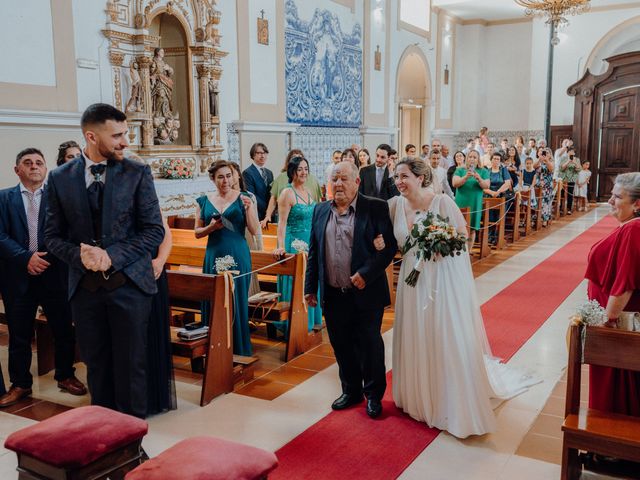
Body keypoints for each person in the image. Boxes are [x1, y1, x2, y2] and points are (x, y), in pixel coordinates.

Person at [377, 158, 536, 438]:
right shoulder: (393, 206)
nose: (399, 182)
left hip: (440, 280)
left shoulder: (442, 203)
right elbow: (388, 242)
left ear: (420, 177)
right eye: (396, 177)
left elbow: (462, 237)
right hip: (411, 282)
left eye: (403, 176)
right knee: (416, 334)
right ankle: (416, 395)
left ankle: (445, 398)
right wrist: (379, 243)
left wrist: (438, 243)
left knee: (442, 334)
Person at [44, 103, 164, 418]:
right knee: (96, 368)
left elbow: (153, 231)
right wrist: (79, 255)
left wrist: (111, 255)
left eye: (125, 134)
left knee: (131, 369)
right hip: (85, 290)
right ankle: (105, 444)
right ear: (91, 137)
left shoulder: (137, 172)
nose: (125, 142)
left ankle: (133, 447)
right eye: (118, 135)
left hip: (130, 287)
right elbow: (52, 237)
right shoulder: (59, 178)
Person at [305, 161, 397, 419]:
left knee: (369, 345)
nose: (338, 184)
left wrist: (366, 274)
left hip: (366, 293)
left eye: (344, 178)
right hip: (333, 293)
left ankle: (374, 396)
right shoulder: (321, 210)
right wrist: (310, 287)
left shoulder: (375, 207)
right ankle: (351, 390)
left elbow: (388, 248)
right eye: (334, 179)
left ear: (357, 182)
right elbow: (315, 251)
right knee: (341, 344)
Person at [0, 148, 87, 408]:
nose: (34, 166)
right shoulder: (4, 198)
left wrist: (44, 260)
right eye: (27, 163)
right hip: (18, 276)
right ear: (18, 170)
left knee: (62, 329)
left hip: (54, 274)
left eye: (39, 162)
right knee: (19, 333)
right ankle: (20, 384)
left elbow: (67, 234)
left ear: (45, 169)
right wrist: (26, 258)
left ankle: (65, 374)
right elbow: (0, 236)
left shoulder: (58, 198)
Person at [585, 172, 640, 417]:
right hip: (613, 319)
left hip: (617, 324)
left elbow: (625, 284)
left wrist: (607, 322)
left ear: (637, 203)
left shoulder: (633, 230)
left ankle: (610, 447)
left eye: (617, 197)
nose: (610, 201)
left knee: (616, 382)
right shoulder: (629, 227)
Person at [195, 160, 259, 357]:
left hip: (238, 253)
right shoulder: (203, 201)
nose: (225, 180)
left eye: (229, 176)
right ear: (213, 179)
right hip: (214, 253)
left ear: (234, 176)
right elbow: (197, 232)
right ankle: (215, 350)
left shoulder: (245, 198)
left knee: (236, 300)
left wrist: (249, 209)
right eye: (220, 177)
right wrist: (211, 228)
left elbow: (255, 230)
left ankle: (238, 349)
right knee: (213, 301)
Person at [272, 156, 323, 332]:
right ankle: (294, 324)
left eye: (306, 169)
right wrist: (281, 246)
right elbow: (282, 223)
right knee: (298, 283)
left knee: (310, 281)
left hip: (310, 242)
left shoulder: (308, 191)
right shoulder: (287, 193)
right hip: (294, 243)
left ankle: (311, 319)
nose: (304, 172)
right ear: (292, 172)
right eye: (300, 169)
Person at [146, 216, 177, 416]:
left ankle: (152, 396)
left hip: (152, 271)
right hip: (125, 274)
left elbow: (166, 236)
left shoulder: (149, 199)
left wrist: (160, 261)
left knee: (151, 333)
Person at [263, 149, 322, 227]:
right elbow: (273, 198)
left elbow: (318, 201)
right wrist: (268, 215)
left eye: (300, 158)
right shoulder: (281, 178)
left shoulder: (313, 179)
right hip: (288, 222)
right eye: (294, 158)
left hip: (309, 222)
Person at [230, 162, 262, 296]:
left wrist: (259, 245)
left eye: (231, 173)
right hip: (231, 239)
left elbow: (256, 225)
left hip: (247, 238)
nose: (229, 178)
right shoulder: (223, 197)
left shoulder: (249, 196)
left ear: (238, 175)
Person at [453, 150, 490, 246]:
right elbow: (455, 183)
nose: (472, 159)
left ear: (478, 160)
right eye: (470, 157)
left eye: (475, 157)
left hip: (475, 203)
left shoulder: (483, 171)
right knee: (458, 227)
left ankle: (468, 253)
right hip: (461, 202)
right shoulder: (460, 170)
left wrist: (479, 178)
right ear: (466, 158)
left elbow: (486, 186)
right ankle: (458, 250)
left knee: (472, 229)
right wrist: (465, 177)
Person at [484, 152, 513, 244]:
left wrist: (497, 192)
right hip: (489, 197)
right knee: (490, 217)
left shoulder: (503, 170)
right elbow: (483, 186)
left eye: (498, 159)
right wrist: (492, 193)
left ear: (500, 161)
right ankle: (489, 237)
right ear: (491, 160)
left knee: (499, 217)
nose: (496, 160)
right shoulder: (486, 171)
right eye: (494, 158)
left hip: (501, 196)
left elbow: (507, 183)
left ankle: (497, 237)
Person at [242, 142, 273, 224]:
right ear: (253, 155)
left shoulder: (269, 173)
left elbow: (271, 194)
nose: (262, 156)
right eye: (259, 153)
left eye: (264, 153)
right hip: (256, 214)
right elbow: (251, 195)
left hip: (269, 215)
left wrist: (271, 209)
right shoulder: (247, 173)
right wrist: (267, 209)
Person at [559, 146, 581, 214]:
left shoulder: (577, 159)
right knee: (562, 193)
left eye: (573, 152)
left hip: (572, 178)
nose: (572, 153)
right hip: (563, 178)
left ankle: (569, 208)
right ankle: (560, 208)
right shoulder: (563, 158)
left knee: (570, 194)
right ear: (567, 152)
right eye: (570, 151)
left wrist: (574, 162)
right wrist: (568, 161)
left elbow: (579, 169)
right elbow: (561, 169)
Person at [536, 147, 555, 227]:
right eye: (544, 152)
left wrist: (546, 160)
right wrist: (540, 159)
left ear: (550, 155)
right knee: (537, 202)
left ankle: (545, 219)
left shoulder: (551, 162)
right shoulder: (539, 161)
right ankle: (536, 218)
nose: (545, 154)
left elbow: (551, 169)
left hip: (547, 185)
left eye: (547, 153)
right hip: (538, 184)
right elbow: (534, 167)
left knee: (546, 203)